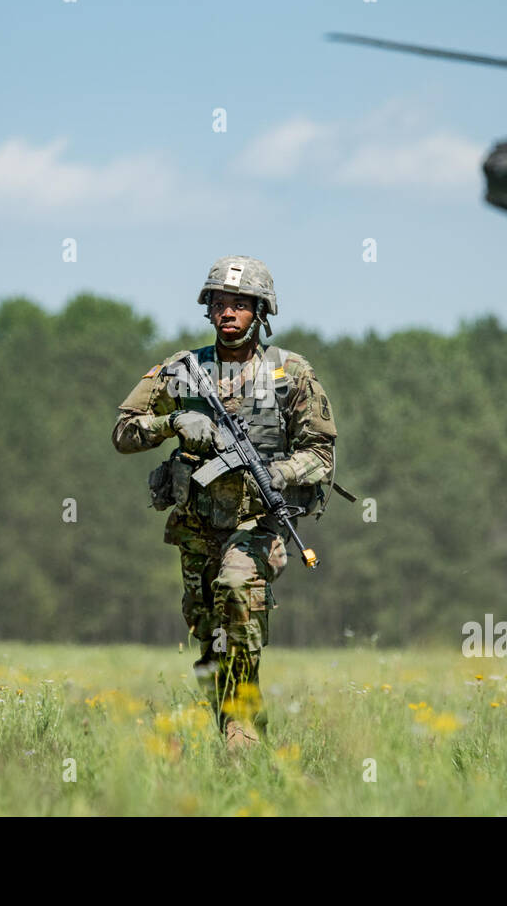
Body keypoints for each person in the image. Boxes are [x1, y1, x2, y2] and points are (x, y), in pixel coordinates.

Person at [112, 256, 338, 750]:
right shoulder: (182, 371)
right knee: (209, 636)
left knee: (238, 593)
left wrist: (275, 473)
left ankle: (241, 728)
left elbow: (321, 452)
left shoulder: (289, 372)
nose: (229, 313)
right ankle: (232, 720)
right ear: (208, 309)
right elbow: (124, 432)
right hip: (195, 524)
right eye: (220, 303)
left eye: (241, 305)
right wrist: (170, 424)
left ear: (261, 312)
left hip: (257, 522)